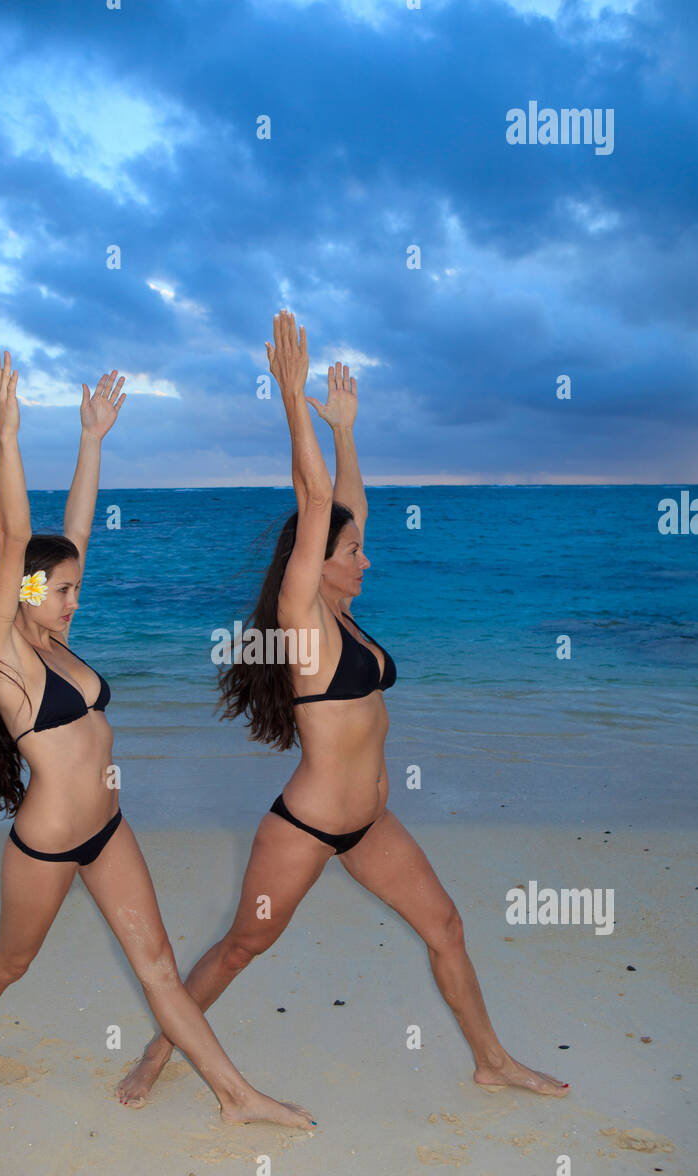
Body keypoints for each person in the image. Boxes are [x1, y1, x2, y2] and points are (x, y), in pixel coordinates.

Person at [117, 309, 568, 1107]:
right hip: (308, 825)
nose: (366, 557)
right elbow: (317, 495)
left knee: (447, 927)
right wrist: (292, 399)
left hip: (371, 824)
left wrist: (348, 430)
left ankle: (491, 1060)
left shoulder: (346, 614)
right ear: (313, 564)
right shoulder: (304, 618)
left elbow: (343, 497)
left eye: (361, 547)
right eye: (351, 551)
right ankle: (161, 1051)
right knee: (240, 948)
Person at [0, 344, 315, 1132]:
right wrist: (7, 431)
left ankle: (236, 1097)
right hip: (49, 842)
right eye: (60, 592)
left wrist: (91, 441)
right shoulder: (1, 643)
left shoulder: (55, 643)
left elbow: (71, 530)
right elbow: (14, 536)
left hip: (108, 829)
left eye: (77, 590)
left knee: (156, 966)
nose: (72, 602)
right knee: (11, 963)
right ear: (23, 592)